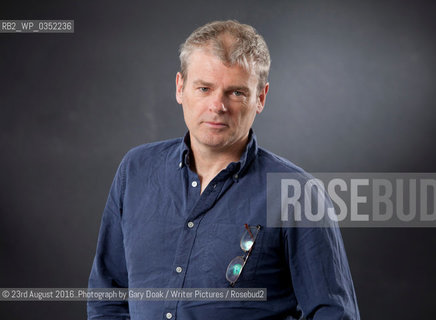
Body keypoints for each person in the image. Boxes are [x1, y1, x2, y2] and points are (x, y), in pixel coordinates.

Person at [88, 20, 360, 319]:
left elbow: (333, 314)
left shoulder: (296, 194)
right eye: (204, 88)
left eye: (236, 93)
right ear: (180, 87)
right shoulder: (136, 170)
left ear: (261, 98)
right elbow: (108, 294)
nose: (217, 105)